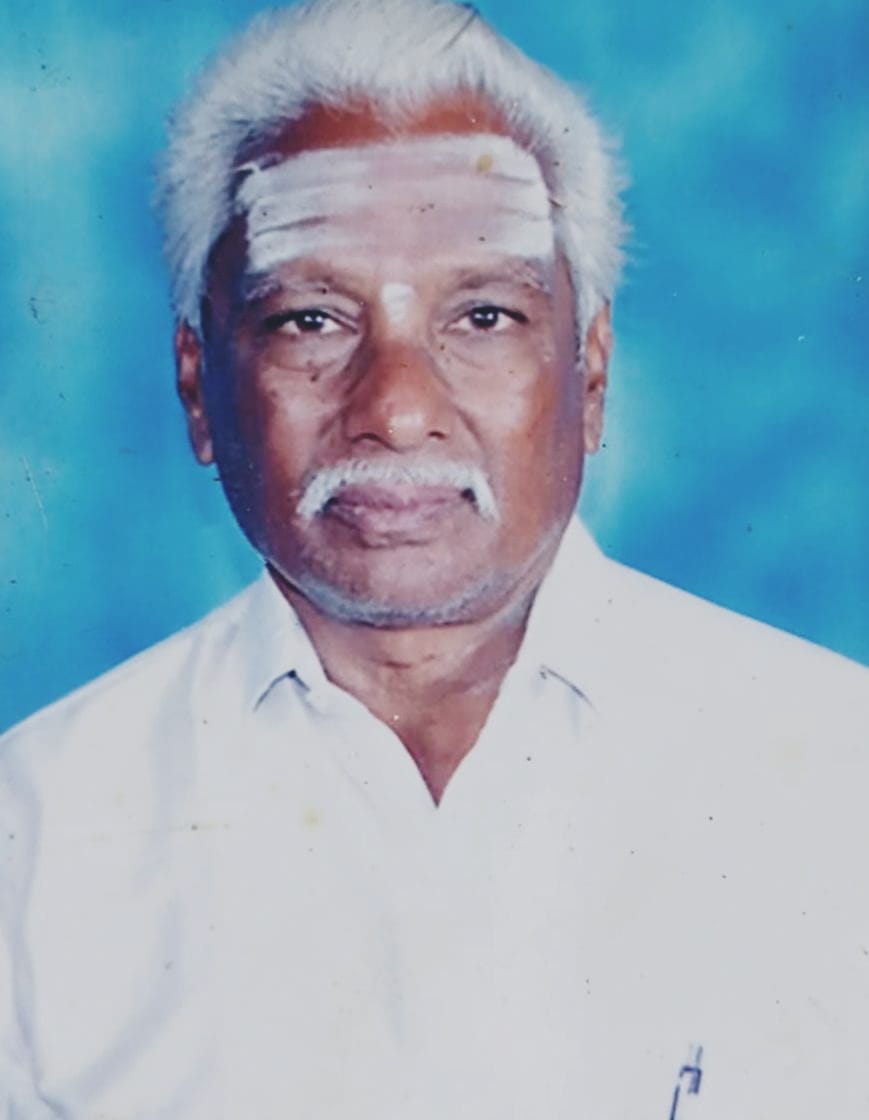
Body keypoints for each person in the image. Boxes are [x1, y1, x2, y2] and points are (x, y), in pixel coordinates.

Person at [1, 0, 867, 1116]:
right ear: (198, 387)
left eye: (484, 317)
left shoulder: (835, 776)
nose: (398, 409)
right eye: (311, 320)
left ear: (590, 371)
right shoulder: (33, 836)